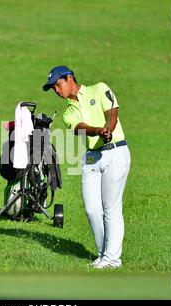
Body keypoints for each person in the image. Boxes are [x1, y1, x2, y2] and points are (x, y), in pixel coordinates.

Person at [42, 66, 131, 269]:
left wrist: (107, 130)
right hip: (92, 158)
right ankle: (103, 255)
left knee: (111, 208)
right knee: (92, 210)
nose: (57, 90)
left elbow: (112, 113)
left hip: (115, 152)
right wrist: (97, 131)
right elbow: (81, 128)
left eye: (58, 84)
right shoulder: (67, 112)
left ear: (69, 78)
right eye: (53, 88)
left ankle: (112, 259)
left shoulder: (98, 89)